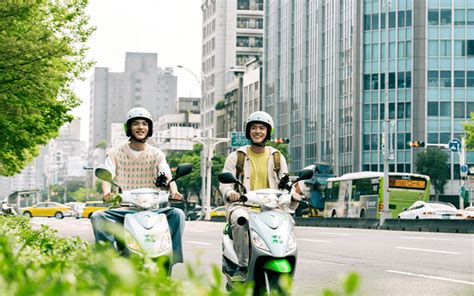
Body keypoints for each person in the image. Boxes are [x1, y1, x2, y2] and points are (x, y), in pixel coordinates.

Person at [91, 107, 185, 266]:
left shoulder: (157, 154)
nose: (140, 127)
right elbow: (107, 175)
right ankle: (108, 258)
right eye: (135, 124)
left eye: (144, 124)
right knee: (98, 217)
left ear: (149, 129)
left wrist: (174, 191)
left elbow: (167, 175)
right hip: (124, 208)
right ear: (129, 128)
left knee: (178, 215)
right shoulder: (115, 153)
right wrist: (107, 193)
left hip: (153, 209)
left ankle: (172, 256)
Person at [219, 111, 300, 281]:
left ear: (268, 131)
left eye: (262, 128)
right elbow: (224, 183)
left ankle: (286, 262)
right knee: (241, 220)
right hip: (243, 206)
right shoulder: (237, 156)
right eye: (254, 128)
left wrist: (293, 196)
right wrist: (230, 193)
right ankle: (242, 266)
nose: (258, 131)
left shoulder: (277, 157)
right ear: (248, 131)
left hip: (271, 207)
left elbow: (286, 183)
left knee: (288, 222)